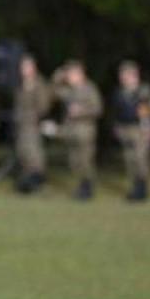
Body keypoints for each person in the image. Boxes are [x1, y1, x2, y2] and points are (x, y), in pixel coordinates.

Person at [52, 60, 103, 200]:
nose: (69, 77)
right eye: (68, 74)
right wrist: (57, 77)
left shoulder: (90, 88)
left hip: (85, 130)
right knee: (73, 161)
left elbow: (98, 109)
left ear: (80, 74)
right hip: (71, 130)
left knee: (86, 160)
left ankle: (88, 188)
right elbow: (55, 92)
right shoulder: (68, 90)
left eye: (72, 74)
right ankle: (82, 185)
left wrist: (81, 111)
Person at [112, 60, 150, 201]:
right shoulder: (120, 92)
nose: (124, 77)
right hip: (125, 129)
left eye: (127, 74)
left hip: (140, 129)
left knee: (140, 159)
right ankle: (134, 187)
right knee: (129, 160)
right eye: (122, 74)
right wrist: (117, 128)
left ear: (134, 74)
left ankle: (142, 188)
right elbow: (116, 113)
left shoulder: (144, 91)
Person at [13, 55, 52, 193]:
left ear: (34, 68)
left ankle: (37, 178)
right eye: (22, 67)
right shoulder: (21, 84)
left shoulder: (39, 83)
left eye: (27, 66)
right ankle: (27, 180)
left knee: (33, 152)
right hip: (21, 123)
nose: (24, 69)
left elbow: (44, 106)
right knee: (22, 151)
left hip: (32, 124)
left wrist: (33, 115)